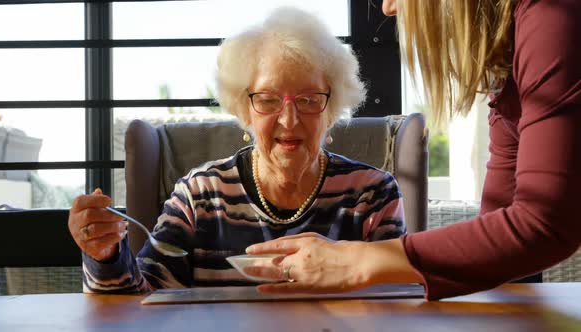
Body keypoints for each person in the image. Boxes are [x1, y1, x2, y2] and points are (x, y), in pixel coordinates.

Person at [245, 0, 581, 300]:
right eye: (268, 100)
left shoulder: (553, 16)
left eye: (308, 100)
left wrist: (359, 260)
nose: (388, 7)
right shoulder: (509, 74)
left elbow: (544, 222)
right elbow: (506, 248)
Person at [67, 7, 406, 292]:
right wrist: (106, 255)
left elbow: (399, 300)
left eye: (307, 100)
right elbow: (143, 297)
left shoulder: (372, 194)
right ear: (244, 109)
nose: (289, 120)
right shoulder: (200, 195)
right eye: (268, 100)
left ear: (331, 109)